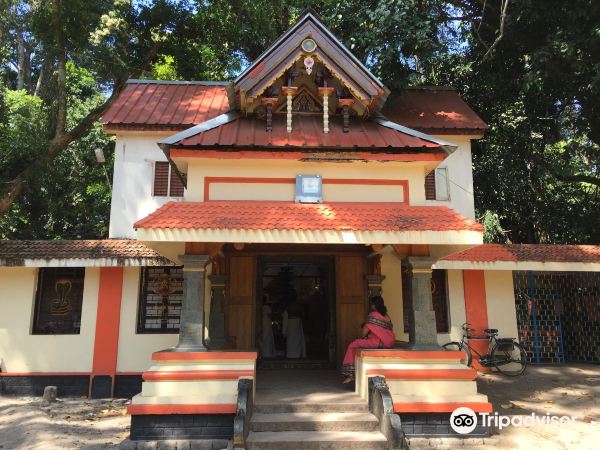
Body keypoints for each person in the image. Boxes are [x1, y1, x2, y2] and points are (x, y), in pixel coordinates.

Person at [341, 296, 395, 383]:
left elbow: (364, 333)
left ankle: (351, 375)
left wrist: (360, 339)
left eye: (371, 304)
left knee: (352, 345)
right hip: (390, 342)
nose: (370, 306)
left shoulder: (372, 315)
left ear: (374, 305)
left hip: (377, 342)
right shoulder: (387, 316)